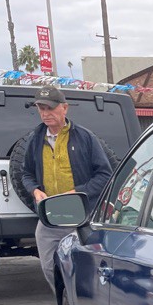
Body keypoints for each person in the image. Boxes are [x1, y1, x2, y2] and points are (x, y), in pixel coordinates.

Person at [20, 85, 113, 291]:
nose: (45, 113)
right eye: (41, 108)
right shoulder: (35, 139)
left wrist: (78, 193)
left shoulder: (85, 137)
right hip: (50, 218)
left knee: (87, 271)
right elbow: (26, 174)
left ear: (65, 108)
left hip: (81, 218)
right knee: (50, 268)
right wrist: (35, 190)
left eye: (50, 108)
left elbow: (105, 175)